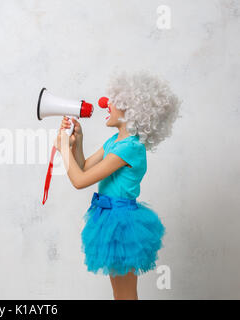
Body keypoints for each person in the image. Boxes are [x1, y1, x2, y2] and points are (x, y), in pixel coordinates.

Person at [54, 71, 181, 300]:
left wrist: (63, 147)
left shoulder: (130, 148)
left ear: (131, 111)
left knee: (125, 294)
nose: (106, 104)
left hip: (121, 223)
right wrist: (77, 141)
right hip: (109, 218)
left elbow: (79, 181)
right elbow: (82, 167)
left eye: (114, 101)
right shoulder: (114, 142)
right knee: (120, 293)